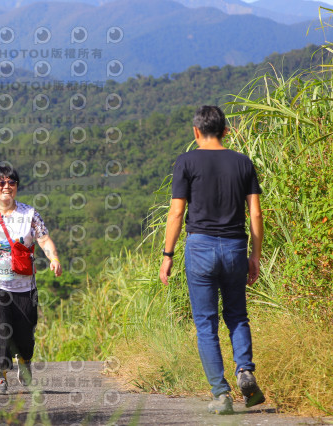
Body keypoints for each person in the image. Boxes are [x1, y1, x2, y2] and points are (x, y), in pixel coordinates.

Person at [159, 105, 266, 414]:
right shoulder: (243, 162)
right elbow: (256, 213)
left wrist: (167, 255)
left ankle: (221, 394)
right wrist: (255, 255)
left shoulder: (186, 161)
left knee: (206, 323)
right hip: (235, 248)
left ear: (196, 132)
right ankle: (244, 369)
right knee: (237, 315)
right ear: (226, 131)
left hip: (200, 248)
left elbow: (176, 213)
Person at [0, 164, 62, 395]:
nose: (7, 186)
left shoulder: (29, 214)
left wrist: (54, 258)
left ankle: (24, 362)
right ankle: (0, 377)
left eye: (11, 182)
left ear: (16, 186)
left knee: (25, 333)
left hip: (24, 284)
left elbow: (44, 239)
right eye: (1, 183)